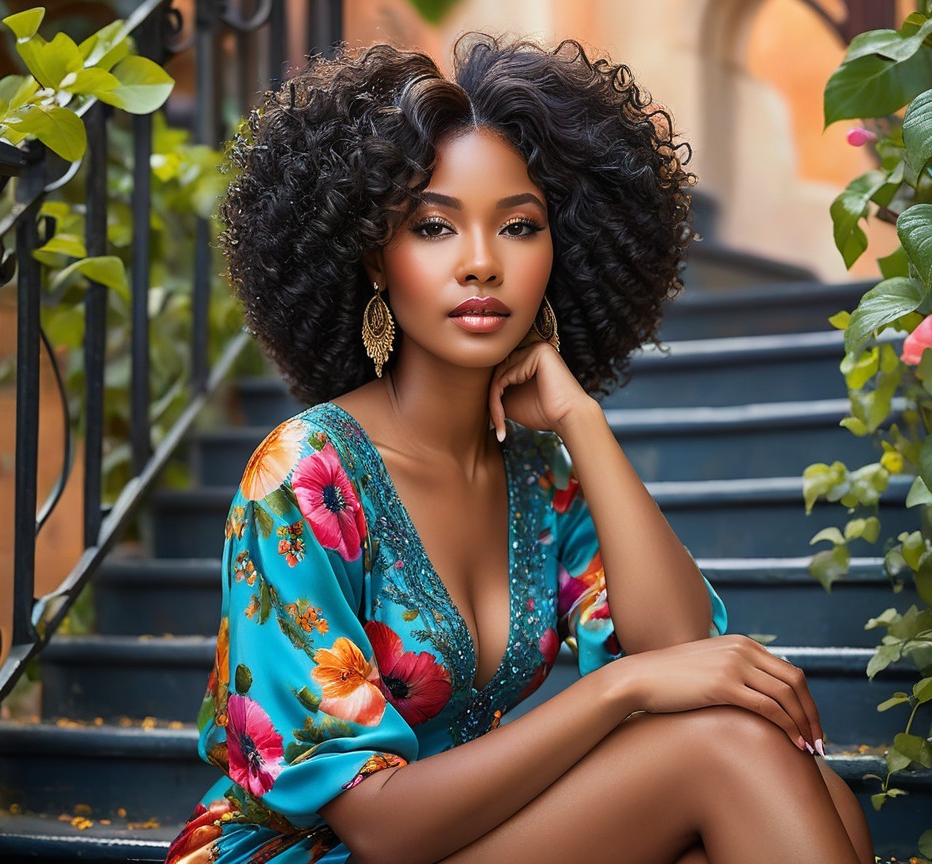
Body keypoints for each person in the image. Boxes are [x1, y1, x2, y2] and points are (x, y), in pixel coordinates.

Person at [165, 33, 875, 864]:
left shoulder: (542, 481)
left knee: (810, 788)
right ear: (374, 258)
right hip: (327, 850)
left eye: (519, 226)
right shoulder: (305, 475)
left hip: (469, 834)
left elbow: (688, 658)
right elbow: (378, 826)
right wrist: (618, 688)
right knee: (731, 756)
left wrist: (581, 420)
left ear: (558, 254)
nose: (480, 264)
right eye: (433, 228)